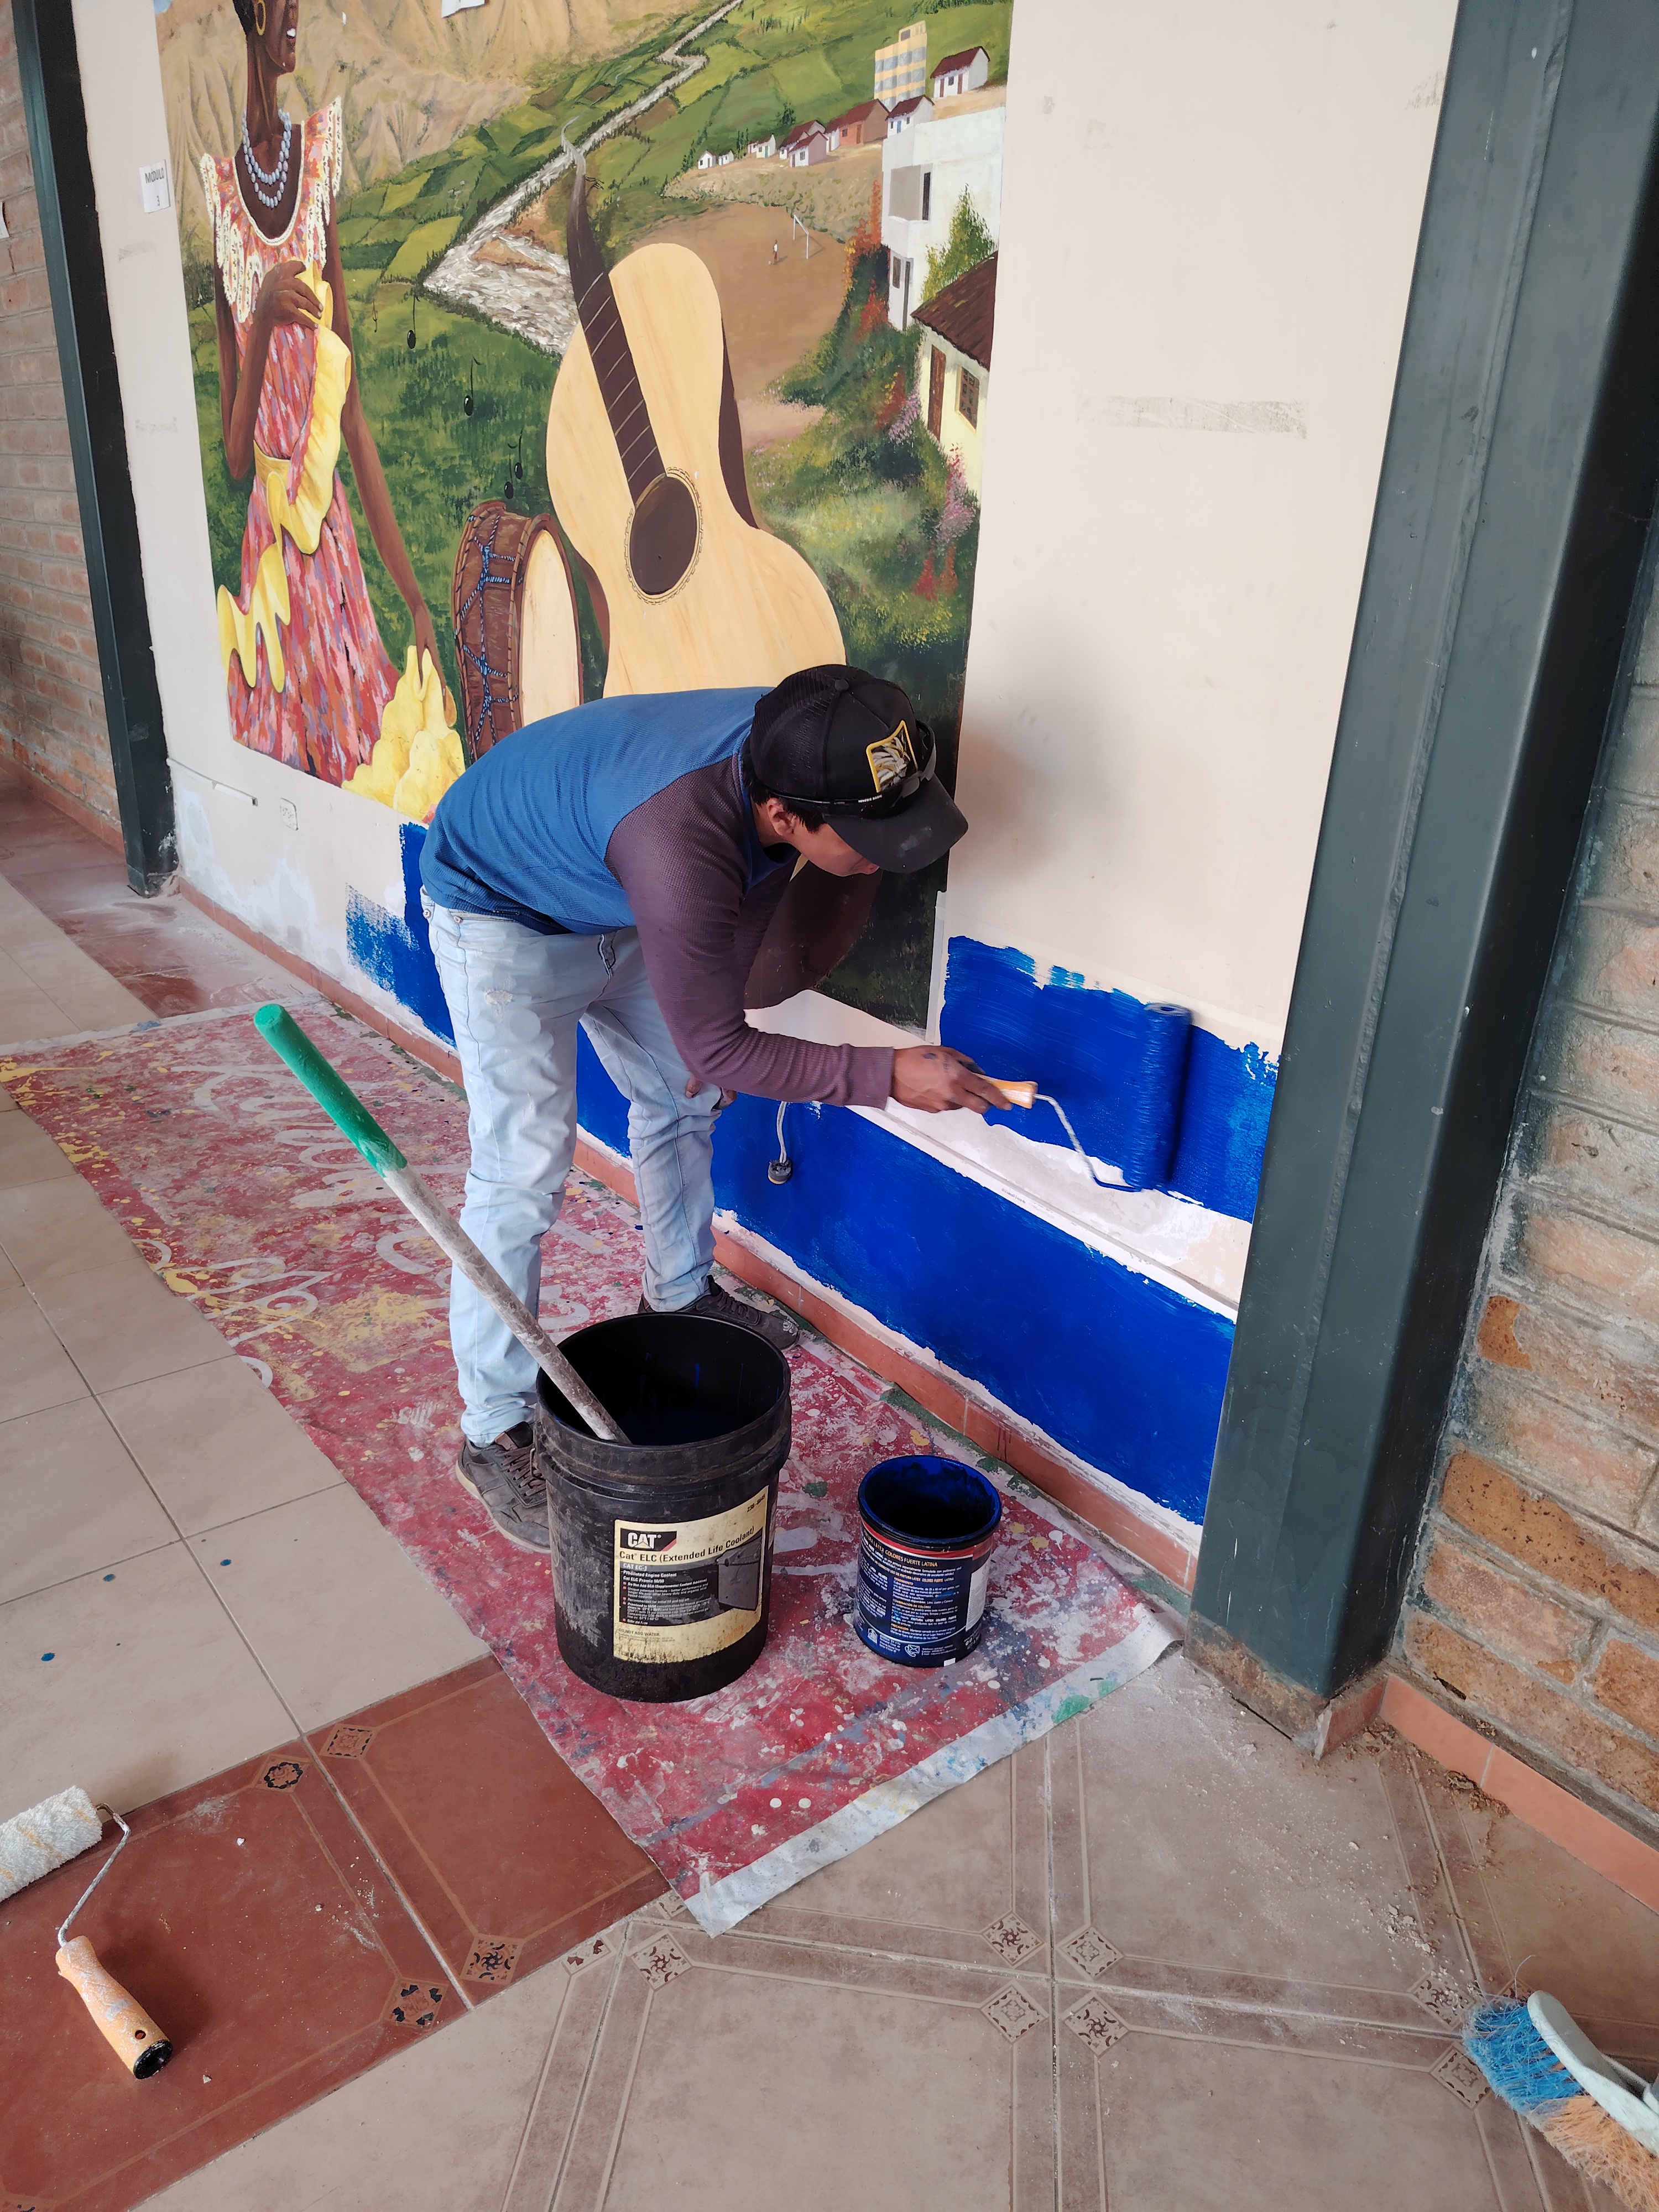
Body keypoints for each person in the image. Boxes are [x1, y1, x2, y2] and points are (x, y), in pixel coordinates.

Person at [421, 665, 1003, 1550]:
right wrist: (887, 1074)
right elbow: (719, 1041)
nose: (888, 856)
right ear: (784, 815)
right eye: (867, 837)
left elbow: (722, 975)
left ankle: (679, 1294)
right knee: (523, 1169)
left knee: (681, 1095)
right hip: (501, 912)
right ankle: (494, 1430)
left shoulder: (800, 742)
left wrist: (711, 1033)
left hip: (615, 896)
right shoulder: (680, 841)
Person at [202, 0, 440, 783]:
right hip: (270, 563)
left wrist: (414, 599)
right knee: (282, 766)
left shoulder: (315, 169)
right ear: (251, 13)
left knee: (354, 753)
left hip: (330, 553)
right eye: (281, 4)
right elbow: (237, 461)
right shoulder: (221, 205)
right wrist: (262, 317)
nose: (294, 16)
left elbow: (355, 421)